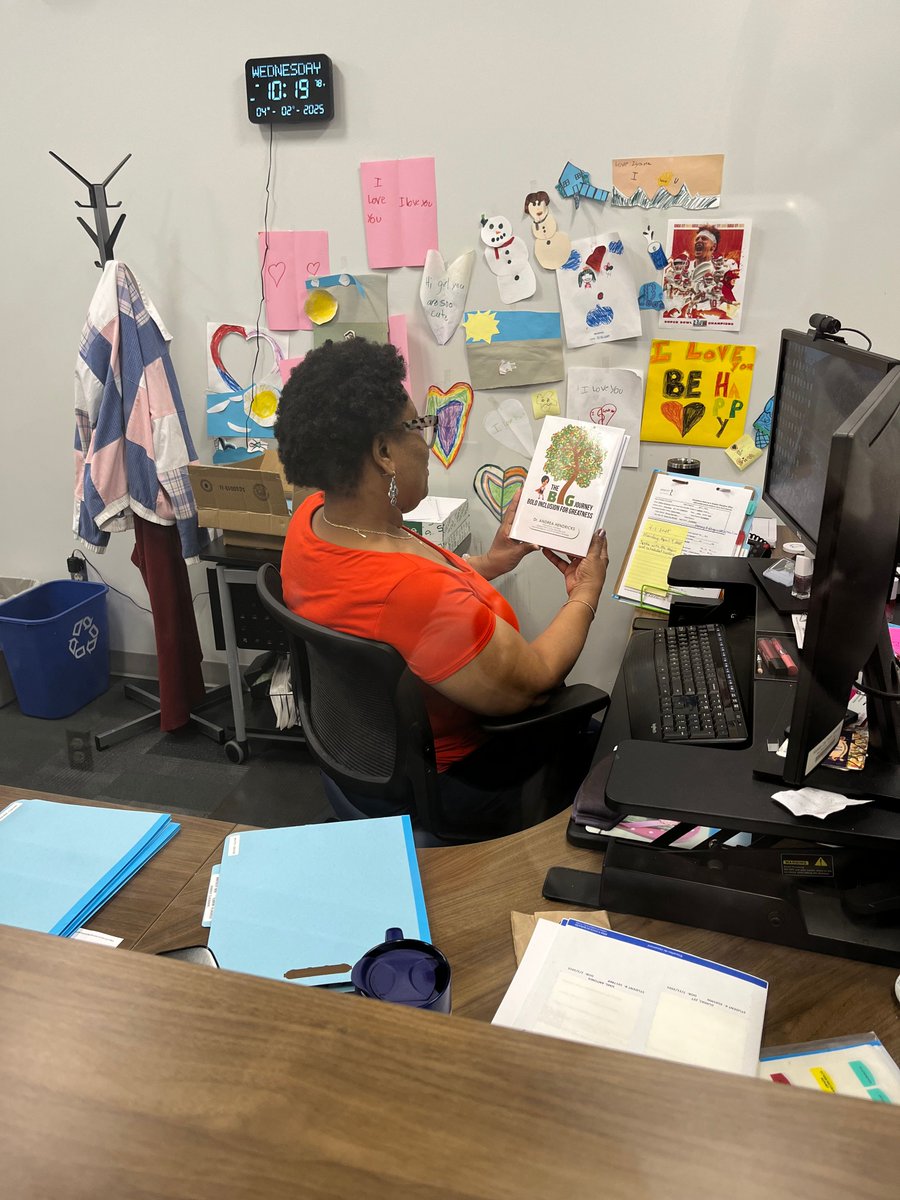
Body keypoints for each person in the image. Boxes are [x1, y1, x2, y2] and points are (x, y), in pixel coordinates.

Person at [276, 337, 609, 833]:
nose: (428, 442)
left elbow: (395, 606)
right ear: (384, 452)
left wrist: (489, 563)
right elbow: (535, 680)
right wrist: (586, 593)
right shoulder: (412, 591)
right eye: (418, 426)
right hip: (460, 781)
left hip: (366, 760)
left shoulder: (313, 521)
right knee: (618, 745)